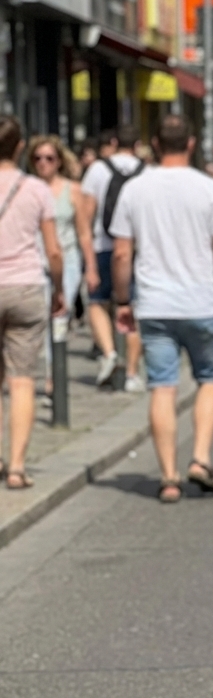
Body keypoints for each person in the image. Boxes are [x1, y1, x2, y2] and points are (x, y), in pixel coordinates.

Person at [110, 114, 213, 503]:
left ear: (154, 144)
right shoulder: (208, 188)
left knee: (162, 387)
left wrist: (123, 301)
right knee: (208, 378)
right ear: (190, 144)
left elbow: (121, 253)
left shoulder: (135, 190)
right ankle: (200, 459)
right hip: (200, 301)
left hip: (154, 305)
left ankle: (169, 477)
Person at [0, 116, 64, 489]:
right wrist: (58, 289)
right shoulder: (36, 189)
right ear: (21, 148)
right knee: (22, 380)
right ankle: (18, 467)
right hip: (25, 286)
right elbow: (53, 251)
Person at [27, 135, 95, 395]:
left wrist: (91, 267)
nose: (43, 163)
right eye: (38, 158)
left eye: (49, 158)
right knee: (40, 317)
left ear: (58, 161)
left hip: (67, 259)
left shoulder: (72, 190)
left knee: (58, 315)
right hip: (34, 259)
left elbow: (84, 232)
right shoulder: (27, 188)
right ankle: (50, 371)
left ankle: (53, 377)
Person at [80, 126, 145, 391]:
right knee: (131, 309)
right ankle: (131, 373)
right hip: (136, 250)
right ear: (138, 145)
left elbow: (86, 214)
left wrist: (88, 261)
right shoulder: (147, 171)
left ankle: (108, 353)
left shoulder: (97, 169)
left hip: (102, 245)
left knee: (97, 302)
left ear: (115, 142)